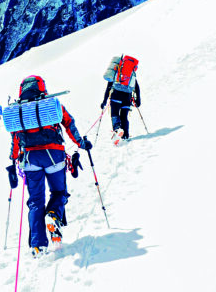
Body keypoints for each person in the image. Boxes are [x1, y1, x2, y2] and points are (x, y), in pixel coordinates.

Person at [9, 75, 91, 257]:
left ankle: (38, 245)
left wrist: (13, 158)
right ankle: (53, 215)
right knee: (59, 192)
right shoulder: (51, 104)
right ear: (42, 87)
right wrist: (80, 143)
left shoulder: (19, 111)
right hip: (54, 156)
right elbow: (68, 123)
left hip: (30, 159)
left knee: (35, 201)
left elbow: (15, 137)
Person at [100, 71, 141, 141]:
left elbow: (108, 87)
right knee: (124, 117)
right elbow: (136, 87)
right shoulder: (131, 72)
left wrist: (104, 101)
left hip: (116, 97)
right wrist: (138, 100)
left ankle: (117, 130)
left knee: (115, 114)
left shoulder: (115, 72)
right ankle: (125, 135)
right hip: (127, 98)